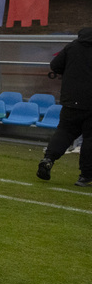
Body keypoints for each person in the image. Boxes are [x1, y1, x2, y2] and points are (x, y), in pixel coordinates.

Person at [36, 27, 92, 187]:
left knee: (65, 131)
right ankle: (86, 176)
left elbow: (55, 65)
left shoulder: (72, 46)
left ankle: (49, 159)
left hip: (71, 100)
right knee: (90, 138)